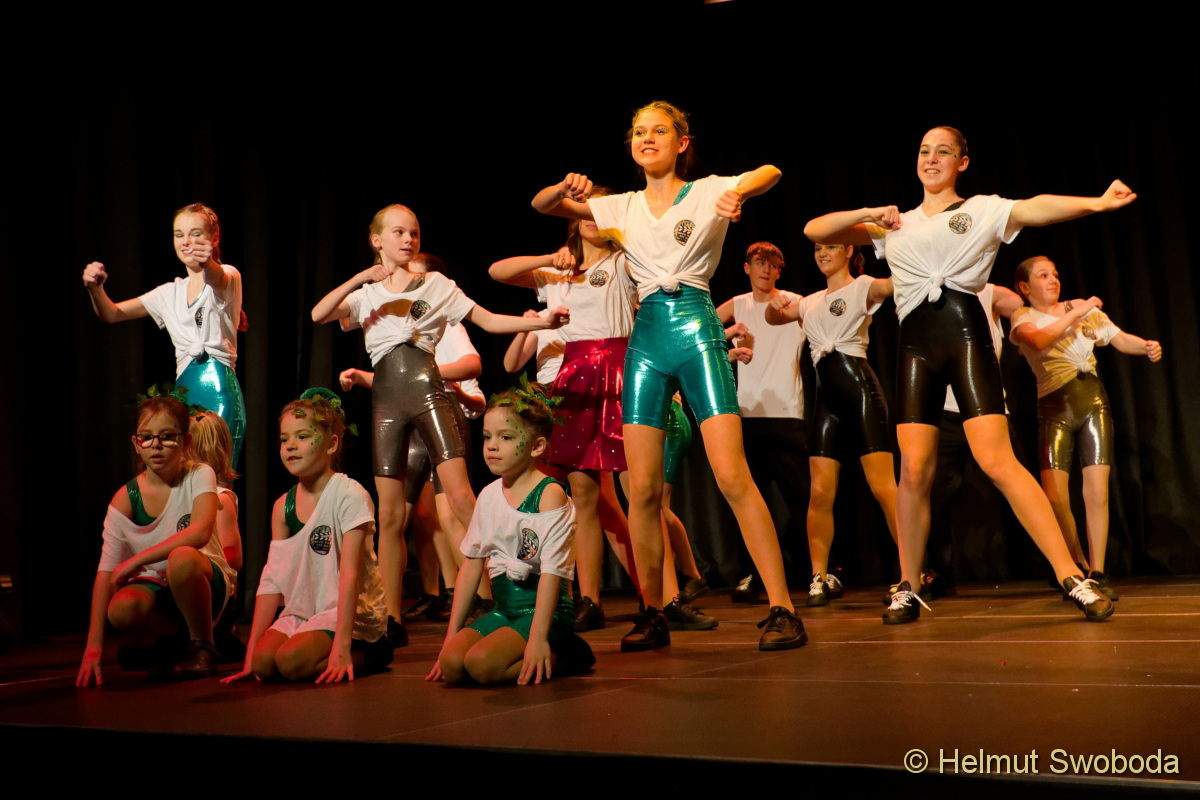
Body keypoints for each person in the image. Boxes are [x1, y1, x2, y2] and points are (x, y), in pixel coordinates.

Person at [803, 125, 1135, 623]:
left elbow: (1036, 207)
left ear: (962, 162)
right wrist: (868, 213)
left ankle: (1072, 575)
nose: (931, 159)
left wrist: (1098, 203)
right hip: (916, 346)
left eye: (943, 152)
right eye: (924, 151)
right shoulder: (896, 225)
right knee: (913, 471)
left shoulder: (980, 209)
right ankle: (908, 584)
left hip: (964, 336)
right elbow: (816, 230)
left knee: (998, 460)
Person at [532, 100, 805, 651]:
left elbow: (771, 171)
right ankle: (653, 611)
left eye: (658, 131)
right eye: (638, 132)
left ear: (682, 143)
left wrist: (738, 193)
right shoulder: (621, 207)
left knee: (732, 474)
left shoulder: (704, 191)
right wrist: (563, 186)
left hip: (697, 329)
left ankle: (783, 607)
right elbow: (544, 204)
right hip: (648, 338)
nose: (647, 139)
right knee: (643, 489)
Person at [311, 204, 567, 645]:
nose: (408, 240)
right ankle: (390, 618)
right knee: (390, 514)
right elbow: (319, 315)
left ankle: (494, 595)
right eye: (398, 232)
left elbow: (486, 319)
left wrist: (543, 321)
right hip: (387, 404)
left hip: (430, 394)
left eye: (414, 232)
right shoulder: (366, 295)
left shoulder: (437, 286)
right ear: (376, 240)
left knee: (463, 500)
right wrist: (362, 278)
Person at [1010, 255, 1163, 600]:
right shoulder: (1024, 316)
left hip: (1092, 401)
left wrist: (1144, 346)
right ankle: (1074, 565)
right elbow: (1039, 340)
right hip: (1054, 406)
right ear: (1024, 287)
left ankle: (1098, 570)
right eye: (1043, 275)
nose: (1053, 280)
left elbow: (1118, 338)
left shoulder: (1081, 310)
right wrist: (1078, 310)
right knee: (1055, 495)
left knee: (1097, 490)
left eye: (1055, 274)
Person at [427, 382, 594, 686]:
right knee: (452, 663)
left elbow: (552, 572)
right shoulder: (489, 496)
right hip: (505, 609)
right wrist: (451, 636)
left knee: (481, 666)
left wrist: (538, 639)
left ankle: (564, 653)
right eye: (487, 436)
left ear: (537, 446)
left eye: (505, 437)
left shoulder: (549, 495)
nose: (492, 446)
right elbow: (471, 566)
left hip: (545, 612)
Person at [222, 389, 393, 684]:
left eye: (302, 436)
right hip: (304, 609)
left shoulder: (349, 495)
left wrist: (341, 648)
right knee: (264, 663)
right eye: (284, 439)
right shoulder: (282, 507)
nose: (290, 446)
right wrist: (250, 655)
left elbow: (350, 574)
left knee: (291, 663)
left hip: (347, 611)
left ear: (331, 444)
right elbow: (273, 578)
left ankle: (372, 651)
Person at [766, 243, 898, 607]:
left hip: (861, 391)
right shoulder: (810, 301)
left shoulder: (863, 286)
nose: (823, 253)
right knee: (821, 492)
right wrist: (775, 305)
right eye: (818, 248)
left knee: (883, 486)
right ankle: (819, 576)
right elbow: (774, 318)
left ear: (848, 250)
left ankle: (911, 568)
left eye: (831, 247)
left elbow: (892, 285)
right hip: (827, 402)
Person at [77, 394, 234, 686]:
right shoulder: (125, 499)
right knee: (121, 608)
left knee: (181, 558)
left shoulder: (200, 474)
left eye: (167, 437)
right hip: (159, 587)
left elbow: (199, 532)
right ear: (136, 444)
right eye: (147, 437)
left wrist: (135, 560)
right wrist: (93, 647)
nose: (156, 445)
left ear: (186, 441)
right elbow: (105, 574)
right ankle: (171, 642)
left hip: (202, 582)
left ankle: (203, 645)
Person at [82, 204, 248, 466]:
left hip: (219, 395)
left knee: (215, 476)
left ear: (214, 237)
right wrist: (95, 289)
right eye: (179, 234)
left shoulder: (229, 275)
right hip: (184, 398)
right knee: (183, 477)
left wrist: (208, 263)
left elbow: (218, 278)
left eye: (196, 234)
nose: (186, 241)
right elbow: (112, 313)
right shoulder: (169, 293)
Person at [715, 242, 809, 603]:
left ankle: (806, 570)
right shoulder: (737, 305)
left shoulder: (793, 302)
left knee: (801, 500)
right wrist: (728, 347)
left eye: (772, 265)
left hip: (788, 414)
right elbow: (702, 333)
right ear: (746, 267)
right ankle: (752, 574)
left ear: (780, 271)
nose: (765, 270)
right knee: (749, 501)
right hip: (748, 416)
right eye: (759, 263)